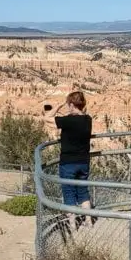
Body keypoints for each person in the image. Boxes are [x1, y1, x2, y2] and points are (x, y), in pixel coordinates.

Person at [47, 90, 93, 226]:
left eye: (68, 104)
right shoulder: (87, 119)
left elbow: (46, 118)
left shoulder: (68, 121)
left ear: (72, 104)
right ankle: (89, 221)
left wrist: (59, 105)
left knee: (68, 192)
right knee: (83, 191)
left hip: (68, 163)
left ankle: (72, 225)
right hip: (84, 162)